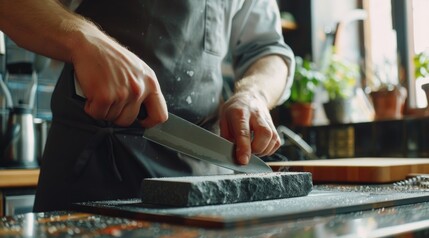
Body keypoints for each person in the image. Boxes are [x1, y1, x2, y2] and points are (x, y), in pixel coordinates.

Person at [0, 0, 295, 212]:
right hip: (94, 171)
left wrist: (253, 93)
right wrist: (83, 38)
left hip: (206, 178)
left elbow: (267, 50)